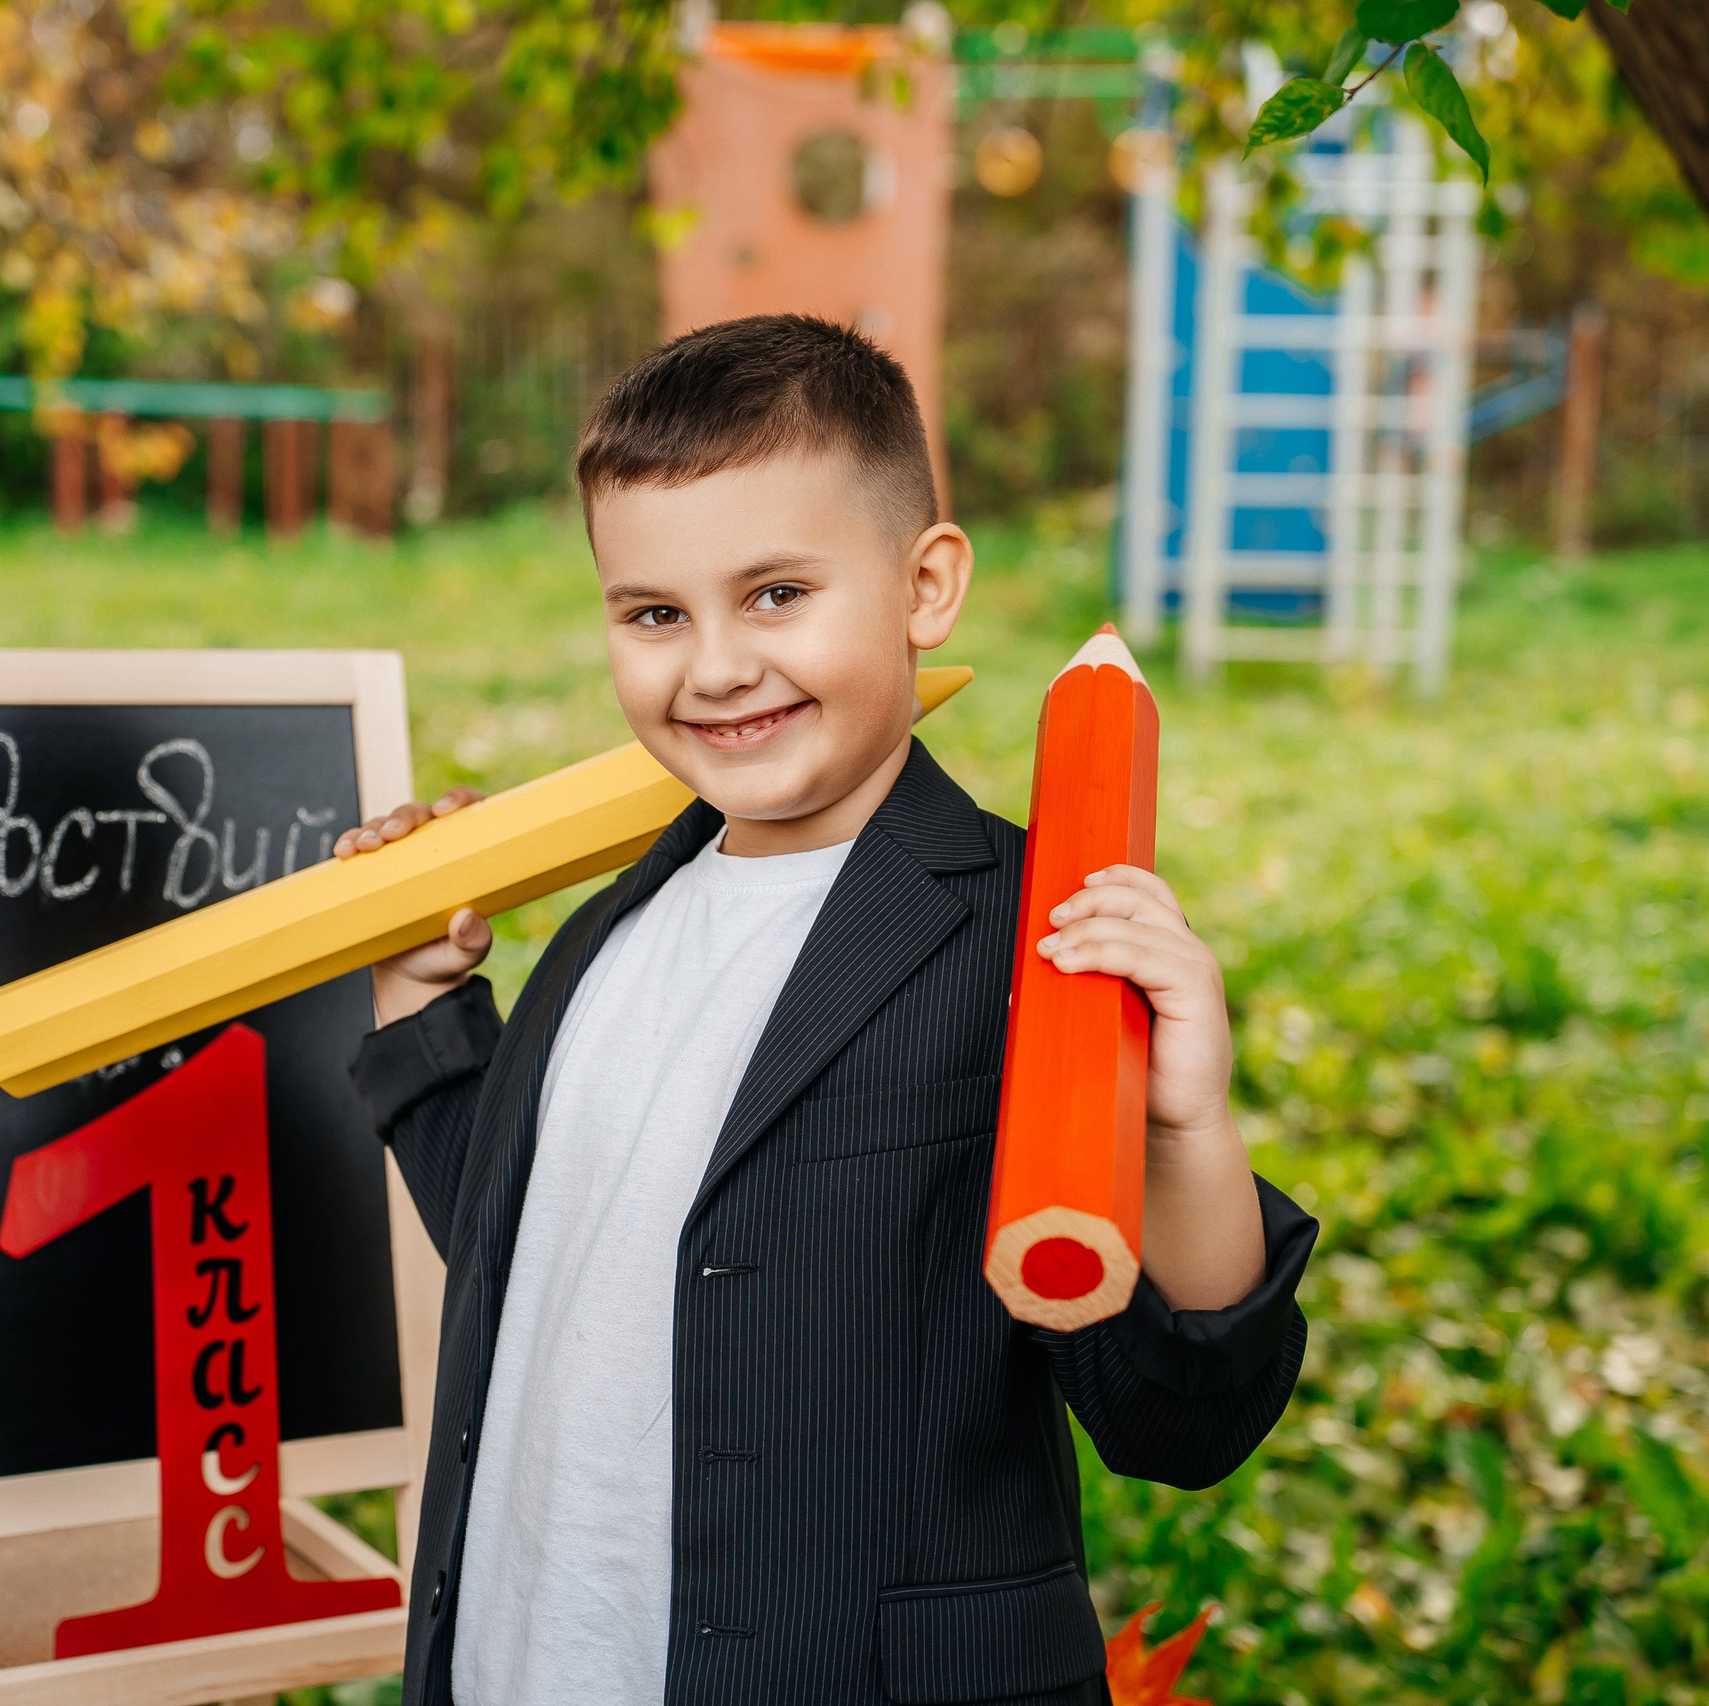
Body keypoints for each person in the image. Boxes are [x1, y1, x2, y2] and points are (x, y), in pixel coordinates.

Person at [341, 314, 1316, 1706]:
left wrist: (1184, 1133)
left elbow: (1182, 1416)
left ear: (927, 584)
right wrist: (425, 1011)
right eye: (655, 614)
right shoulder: (618, 922)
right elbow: (551, 1252)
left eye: (778, 593)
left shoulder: (1023, 938)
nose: (717, 666)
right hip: (528, 1653)